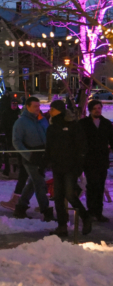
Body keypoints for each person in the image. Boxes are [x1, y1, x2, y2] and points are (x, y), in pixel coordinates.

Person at [45, 100, 92, 237]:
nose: (50, 111)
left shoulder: (72, 126)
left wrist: (78, 166)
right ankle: (62, 226)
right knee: (58, 197)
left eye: (52, 109)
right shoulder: (52, 127)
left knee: (70, 194)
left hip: (70, 166)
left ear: (59, 110)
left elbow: (81, 146)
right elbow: (49, 147)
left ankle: (85, 216)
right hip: (57, 166)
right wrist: (44, 163)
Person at [12, 97, 54, 221]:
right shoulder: (21, 122)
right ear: (27, 107)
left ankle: (20, 207)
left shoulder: (41, 120)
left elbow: (47, 135)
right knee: (40, 183)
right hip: (30, 156)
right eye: (35, 106)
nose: (38, 109)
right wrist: (28, 155)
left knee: (33, 182)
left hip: (42, 156)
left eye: (39, 106)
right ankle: (46, 211)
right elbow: (16, 141)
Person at [79, 100, 113, 222]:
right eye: (95, 108)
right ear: (90, 110)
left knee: (100, 185)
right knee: (92, 185)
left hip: (102, 159)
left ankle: (98, 211)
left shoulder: (106, 124)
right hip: (89, 159)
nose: (97, 110)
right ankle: (91, 209)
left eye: (99, 108)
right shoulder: (83, 124)